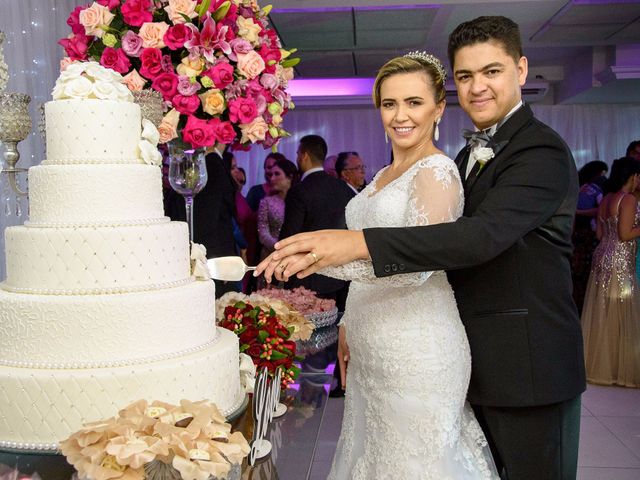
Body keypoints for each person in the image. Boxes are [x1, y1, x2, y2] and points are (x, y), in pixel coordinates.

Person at [257, 16, 586, 480]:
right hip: (460, 347)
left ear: (522, 70)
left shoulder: (540, 151)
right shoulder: (464, 157)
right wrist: (353, 315)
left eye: (492, 71)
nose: (478, 87)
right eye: (466, 76)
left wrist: (350, 246)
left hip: (525, 363)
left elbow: (478, 238)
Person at [281, 53, 499, 477]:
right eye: (389, 104)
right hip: (371, 344)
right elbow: (374, 261)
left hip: (418, 348)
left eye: (414, 103)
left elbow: (419, 265)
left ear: (438, 108)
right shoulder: (382, 175)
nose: (400, 116)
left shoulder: (437, 172)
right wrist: (348, 320)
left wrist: (322, 261)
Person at [581, 157, 640, 388]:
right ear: (633, 176)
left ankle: (600, 364)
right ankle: (617, 368)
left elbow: (599, 235)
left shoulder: (606, 199)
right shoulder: (627, 200)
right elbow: (625, 234)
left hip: (602, 255)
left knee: (604, 312)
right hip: (619, 259)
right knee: (621, 311)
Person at [280, 135, 355, 311]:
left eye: (298, 153)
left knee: (305, 331)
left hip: (305, 277)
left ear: (304, 155)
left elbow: (289, 235)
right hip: (338, 276)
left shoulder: (299, 191)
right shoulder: (342, 188)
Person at [165, 144, 238, 298]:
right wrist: (217, 259)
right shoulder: (210, 164)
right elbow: (207, 220)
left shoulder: (211, 162)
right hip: (211, 260)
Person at [572, 160, 608, 313]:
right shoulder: (596, 190)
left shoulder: (578, 187)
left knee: (579, 274)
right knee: (586, 274)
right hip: (587, 236)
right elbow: (600, 210)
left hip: (577, 236)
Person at [256, 158, 297, 288]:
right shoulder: (267, 202)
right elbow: (263, 233)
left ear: (290, 176)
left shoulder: (300, 201)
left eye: (277, 174)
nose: (272, 178)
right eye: (270, 174)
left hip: (294, 256)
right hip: (270, 255)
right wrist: (281, 249)